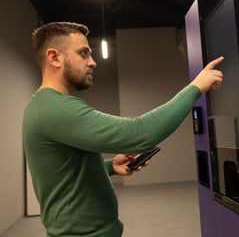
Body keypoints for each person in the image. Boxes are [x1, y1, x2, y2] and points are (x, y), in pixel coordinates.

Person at [23, 22, 223, 237]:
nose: (93, 62)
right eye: (83, 53)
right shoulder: (54, 109)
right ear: (54, 58)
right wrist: (195, 88)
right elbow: (138, 134)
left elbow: (65, 169)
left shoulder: (46, 106)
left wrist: (109, 166)